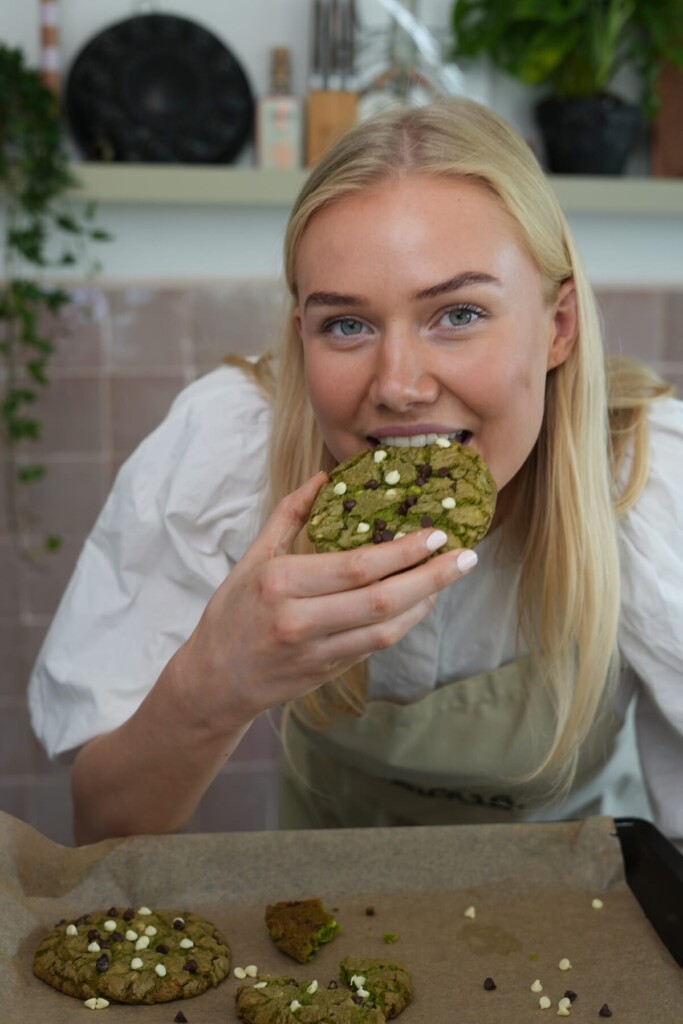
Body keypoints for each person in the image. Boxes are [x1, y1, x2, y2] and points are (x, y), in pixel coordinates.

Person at [28, 99, 682, 849]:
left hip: (583, 910)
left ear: (558, 327)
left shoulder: (648, 481)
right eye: (346, 325)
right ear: (302, 330)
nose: (398, 384)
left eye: (459, 314)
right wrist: (217, 682)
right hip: (326, 911)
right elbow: (105, 823)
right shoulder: (227, 450)